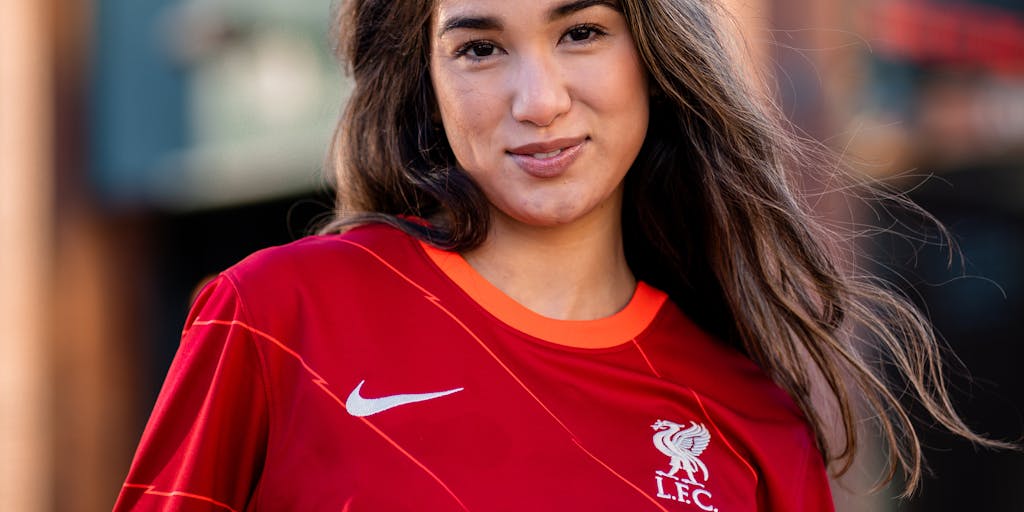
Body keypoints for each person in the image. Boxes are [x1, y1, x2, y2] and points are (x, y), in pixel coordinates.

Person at [114, 0, 1006, 510]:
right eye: (479, 48)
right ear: (425, 79)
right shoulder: (282, 317)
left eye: (580, 30)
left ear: (651, 56)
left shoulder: (749, 425)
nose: (538, 99)